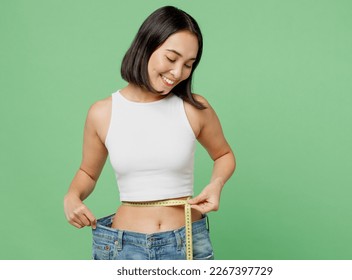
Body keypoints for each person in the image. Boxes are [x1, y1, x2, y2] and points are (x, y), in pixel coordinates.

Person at [63, 5, 235, 260]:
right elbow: (87, 172)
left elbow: (224, 155)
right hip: (123, 248)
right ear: (146, 46)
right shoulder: (102, 113)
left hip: (187, 240)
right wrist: (71, 196)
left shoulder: (194, 108)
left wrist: (216, 184)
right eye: (171, 58)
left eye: (189, 64)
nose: (178, 73)